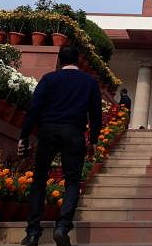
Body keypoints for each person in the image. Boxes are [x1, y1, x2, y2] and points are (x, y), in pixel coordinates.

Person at [18, 46, 102, 246]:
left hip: (47, 130)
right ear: (79, 60)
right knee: (72, 182)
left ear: (59, 61)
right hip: (74, 132)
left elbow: (34, 109)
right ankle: (62, 227)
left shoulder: (49, 79)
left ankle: (32, 233)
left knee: (39, 181)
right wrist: (94, 139)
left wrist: (24, 136)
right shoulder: (89, 81)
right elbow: (96, 114)